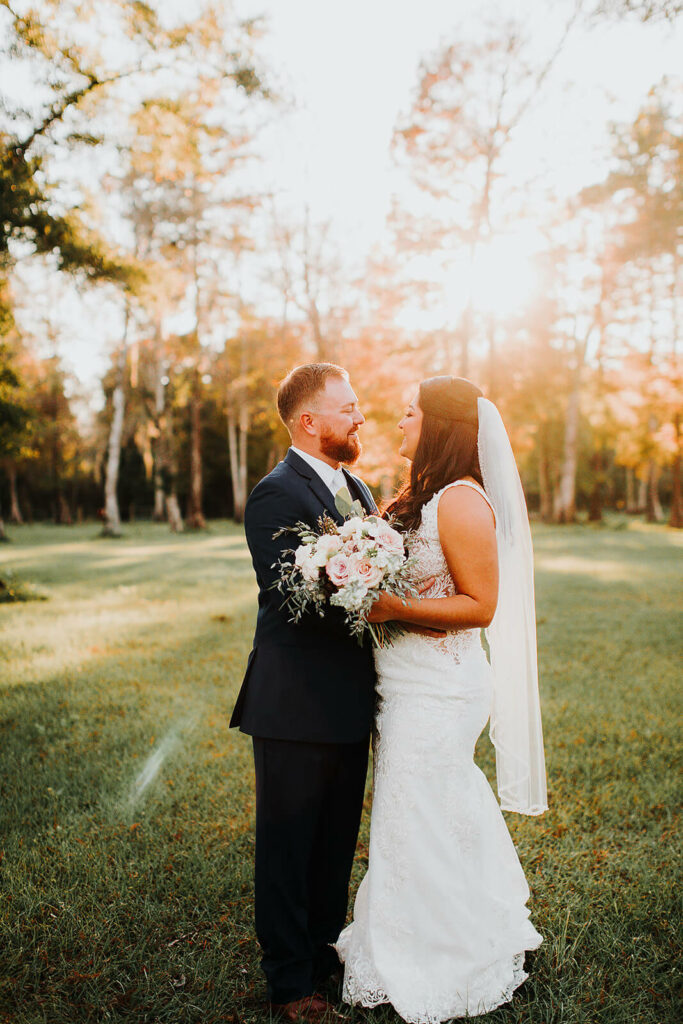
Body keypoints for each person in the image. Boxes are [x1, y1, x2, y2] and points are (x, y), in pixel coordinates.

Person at [336, 375, 548, 1023]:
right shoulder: (418, 494)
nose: (396, 423)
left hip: (440, 686)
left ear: (440, 425)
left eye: (408, 414)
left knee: (416, 805)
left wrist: (388, 605)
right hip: (404, 680)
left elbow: (480, 605)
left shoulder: (460, 500)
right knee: (427, 804)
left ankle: (441, 950)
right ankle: (443, 920)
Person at [230, 363, 378, 1023]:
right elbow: (294, 598)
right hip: (292, 703)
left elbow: (371, 562)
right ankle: (290, 985)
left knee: (333, 844)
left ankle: (321, 955)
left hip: (349, 701)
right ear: (310, 421)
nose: (360, 417)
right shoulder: (275, 494)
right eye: (348, 408)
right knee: (288, 848)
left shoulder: (359, 488)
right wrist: (381, 594)